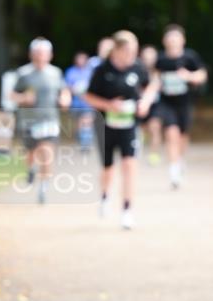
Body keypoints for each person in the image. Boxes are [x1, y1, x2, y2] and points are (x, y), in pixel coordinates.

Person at [84, 30, 157, 229]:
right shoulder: (101, 70)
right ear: (116, 50)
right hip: (106, 126)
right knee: (108, 168)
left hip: (129, 126)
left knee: (129, 166)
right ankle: (105, 196)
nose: (131, 55)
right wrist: (108, 105)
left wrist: (145, 102)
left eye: (134, 51)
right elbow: (87, 97)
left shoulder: (137, 68)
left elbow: (151, 86)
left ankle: (127, 210)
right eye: (127, 51)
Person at [11, 38, 71, 203]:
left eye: (43, 53)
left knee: (47, 152)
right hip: (29, 122)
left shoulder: (55, 73)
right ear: (31, 54)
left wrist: (65, 99)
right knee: (31, 153)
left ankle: (44, 186)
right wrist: (23, 98)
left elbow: (64, 90)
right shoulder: (23, 73)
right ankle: (31, 169)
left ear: (50, 55)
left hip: (49, 120)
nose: (40, 56)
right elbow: (12, 95)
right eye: (37, 53)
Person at [149, 25, 208, 188]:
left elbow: (202, 75)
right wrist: (153, 90)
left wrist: (189, 76)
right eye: (170, 38)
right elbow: (155, 78)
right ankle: (174, 171)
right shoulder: (161, 60)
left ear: (182, 40)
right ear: (164, 41)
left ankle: (180, 159)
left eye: (176, 38)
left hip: (185, 103)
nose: (173, 41)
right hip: (167, 103)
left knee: (183, 136)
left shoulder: (190, 57)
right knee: (171, 134)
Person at [64, 51, 94, 150]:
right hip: (76, 103)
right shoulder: (71, 71)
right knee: (79, 123)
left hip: (88, 103)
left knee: (86, 121)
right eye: (79, 58)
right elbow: (67, 87)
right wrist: (75, 90)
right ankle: (82, 139)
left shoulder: (90, 72)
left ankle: (86, 143)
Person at [138, 44, 161, 162]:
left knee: (155, 128)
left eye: (151, 56)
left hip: (155, 105)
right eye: (146, 56)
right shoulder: (137, 71)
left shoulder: (160, 71)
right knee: (141, 130)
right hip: (140, 104)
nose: (149, 59)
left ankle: (154, 155)